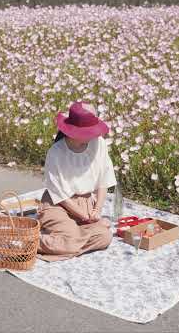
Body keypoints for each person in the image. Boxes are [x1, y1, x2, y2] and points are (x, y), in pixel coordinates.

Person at [37, 101, 117, 262]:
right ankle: (31, 242)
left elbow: (104, 178)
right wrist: (86, 217)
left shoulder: (99, 143)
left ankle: (70, 239)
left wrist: (96, 210)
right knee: (74, 240)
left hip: (86, 205)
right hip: (58, 205)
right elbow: (59, 195)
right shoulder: (56, 152)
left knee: (105, 237)